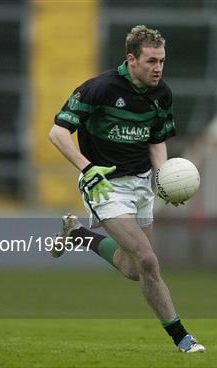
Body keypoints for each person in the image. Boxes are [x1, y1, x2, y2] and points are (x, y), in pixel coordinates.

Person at [48, 25, 205, 353]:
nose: (158, 68)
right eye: (151, 61)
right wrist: (87, 169)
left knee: (133, 268)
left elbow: (157, 139)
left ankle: (77, 234)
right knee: (148, 260)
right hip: (104, 186)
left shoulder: (162, 94)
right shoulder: (99, 89)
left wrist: (162, 177)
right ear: (131, 59)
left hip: (140, 184)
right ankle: (182, 338)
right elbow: (58, 134)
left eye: (162, 61)